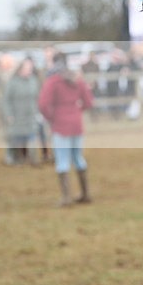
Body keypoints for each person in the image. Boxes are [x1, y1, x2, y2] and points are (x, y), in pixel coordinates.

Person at [38, 52, 94, 206]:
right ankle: (85, 193)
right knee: (78, 158)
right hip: (76, 124)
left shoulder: (53, 81)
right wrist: (76, 112)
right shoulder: (77, 79)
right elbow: (89, 102)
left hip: (60, 125)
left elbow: (43, 104)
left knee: (62, 160)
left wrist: (52, 117)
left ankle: (66, 197)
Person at [2, 58, 40, 165]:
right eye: (27, 68)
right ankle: (12, 157)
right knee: (15, 137)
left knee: (32, 136)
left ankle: (33, 158)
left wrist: (38, 111)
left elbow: (37, 97)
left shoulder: (33, 80)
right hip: (17, 115)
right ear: (20, 70)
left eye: (30, 68)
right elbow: (6, 100)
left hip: (31, 114)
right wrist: (8, 114)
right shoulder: (12, 82)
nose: (30, 70)